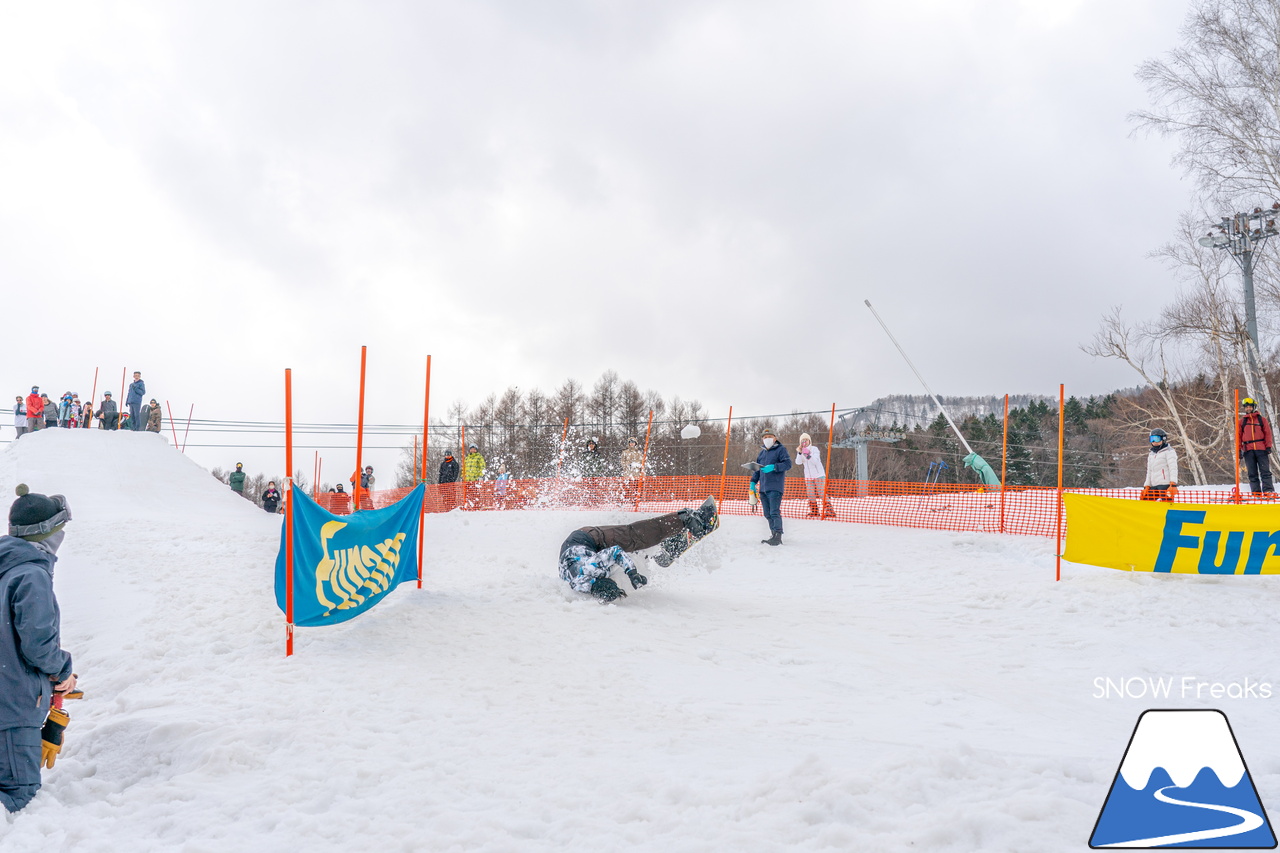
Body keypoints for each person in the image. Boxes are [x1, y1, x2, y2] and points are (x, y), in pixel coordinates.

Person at [0, 484, 78, 812]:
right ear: (47, 535)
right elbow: (37, 645)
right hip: (13, 707)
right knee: (18, 796)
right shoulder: (32, 575)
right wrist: (63, 671)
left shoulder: (7, 569)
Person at [558, 498, 719, 602]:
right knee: (629, 555)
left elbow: (615, 552)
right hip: (572, 554)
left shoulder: (593, 566)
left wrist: (632, 573)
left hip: (587, 537)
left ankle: (687, 519)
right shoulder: (582, 587)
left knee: (633, 537)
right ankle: (662, 550)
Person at [749, 428, 792, 545]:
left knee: (774, 512)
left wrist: (773, 467)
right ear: (762, 439)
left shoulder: (781, 449)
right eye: (765, 437)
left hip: (775, 486)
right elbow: (757, 470)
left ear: (775, 438)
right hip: (763, 488)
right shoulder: (762, 453)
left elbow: (788, 464)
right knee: (767, 514)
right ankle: (773, 534)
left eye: (770, 437)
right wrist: (753, 483)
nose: (767, 439)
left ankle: (778, 536)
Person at [1238, 397, 1274, 495]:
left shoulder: (1261, 420)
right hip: (1248, 450)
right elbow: (1238, 436)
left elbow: (1267, 433)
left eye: (1250, 407)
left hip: (1261, 449)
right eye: (1246, 407)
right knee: (1252, 473)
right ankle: (1256, 492)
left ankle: (1268, 491)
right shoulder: (1242, 422)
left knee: (1265, 471)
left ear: (1253, 407)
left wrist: (1268, 446)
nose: (1248, 409)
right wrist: (1239, 450)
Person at [795, 433, 835, 518]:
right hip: (808, 476)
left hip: (818, 475)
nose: (804, 442)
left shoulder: (814, 449)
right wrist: (799, 453)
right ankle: (814, 510)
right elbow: (798, 462)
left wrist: (807, 453)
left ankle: (829, 509)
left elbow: (815, 461)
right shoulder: (801, 451)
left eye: (806, 440)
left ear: (809, 441)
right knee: (810, 494)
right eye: (802, 440)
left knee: (821, 492)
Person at [1141, 428, 1178, 502]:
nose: (1154, 442)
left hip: (1165, 484)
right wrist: (1147, 485)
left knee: (1166, 503)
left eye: (1156, 439)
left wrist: (1173, 484)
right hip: (1154, 485)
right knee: (1146, 501)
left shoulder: (1169, 451)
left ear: (1163, 439)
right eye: (1152, 439)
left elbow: (1173, 468)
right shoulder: (1151, 454)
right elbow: (1149, 471)